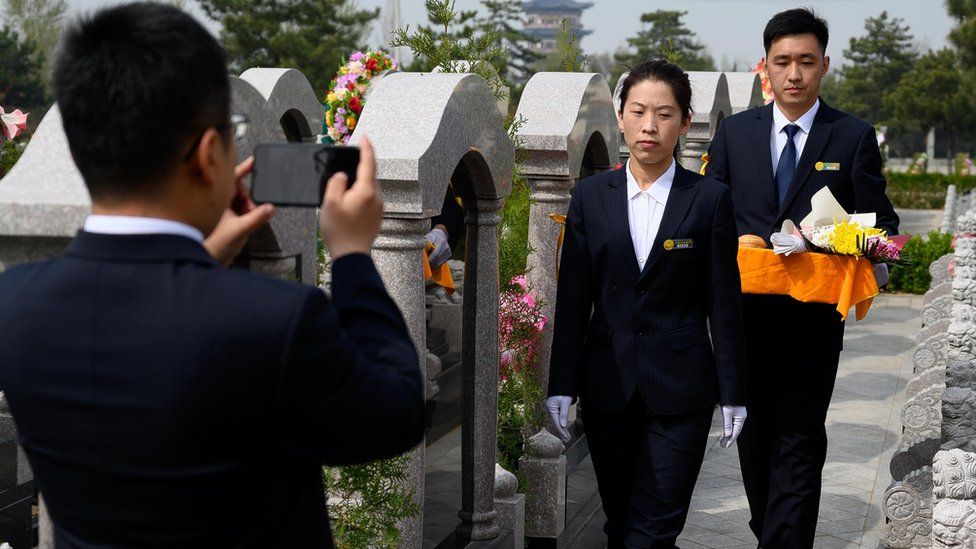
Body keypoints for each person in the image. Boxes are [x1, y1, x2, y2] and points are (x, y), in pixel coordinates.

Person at [0, 3, 425, 547]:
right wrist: (352, 255)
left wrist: (202, 259)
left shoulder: (15, 303)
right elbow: (394, 414)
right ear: (208, 154)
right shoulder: (277, 320)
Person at [705, 8, 899, 547]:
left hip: (812, 321)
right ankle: (769, 529)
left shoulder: (851, 135)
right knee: (752, 435)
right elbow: (708, 214)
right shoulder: (734, 135)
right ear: (763, 67)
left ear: (824, 66)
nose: (794, 74)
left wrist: (827, 237)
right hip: (741, 321)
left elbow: (883, 228)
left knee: (799, 437)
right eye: (782, 61)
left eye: (806, 62)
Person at [546, 59, 747, 549]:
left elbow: (725, 304)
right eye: (638, 112)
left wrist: (733, 390)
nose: (649, 126)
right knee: (619, 524)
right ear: (620, 117)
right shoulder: (592, 196)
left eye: (664, 114)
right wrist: (562, 384)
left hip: (681, 390)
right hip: (608, 387)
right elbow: (573, 299)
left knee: (654, 530)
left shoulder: (709, 199)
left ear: (683, 122)